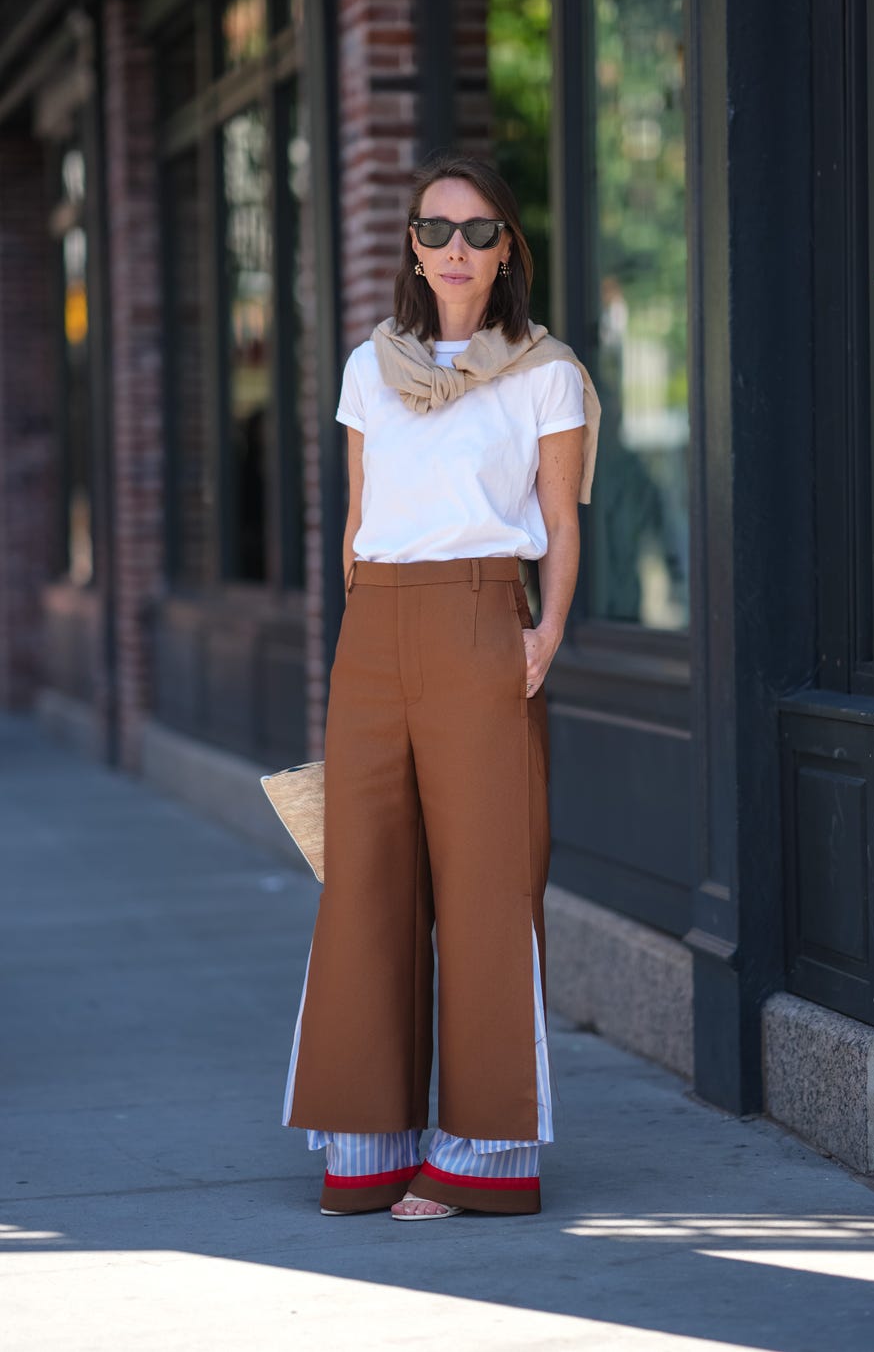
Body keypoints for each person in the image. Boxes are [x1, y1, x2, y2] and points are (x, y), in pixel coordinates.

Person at [282, 152, 600, 1220]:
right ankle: (367, 1137)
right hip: (376, 624)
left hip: (479, 615)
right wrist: (360, 629)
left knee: (484, 878)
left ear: (507, 247)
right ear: (410, 248)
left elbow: (558, 523)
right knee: (362, 875)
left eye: (476, 232)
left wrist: (544, 629)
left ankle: (484, 1153)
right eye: (434, 230)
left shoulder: (543, 371)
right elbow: (358, 516)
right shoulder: (372, 367)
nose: (454, 251)